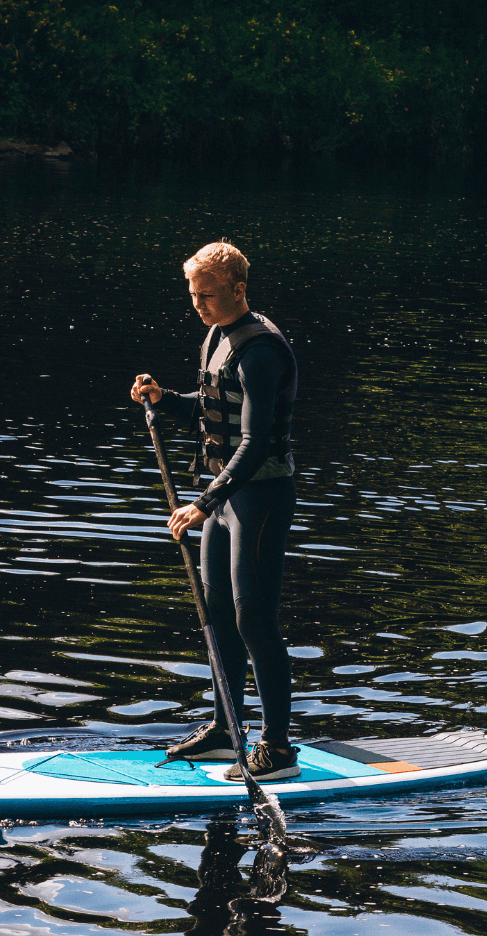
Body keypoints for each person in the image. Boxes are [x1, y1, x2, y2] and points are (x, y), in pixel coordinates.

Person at [130, 241, 300, 782]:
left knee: (255, 620)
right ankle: (228, 727)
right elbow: (207, 412)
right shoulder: (216, 337)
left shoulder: (261, 350)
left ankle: (277, 748)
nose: (198, 305)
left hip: (260, 497)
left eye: (206, 295)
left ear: (237, 289)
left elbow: (253, 443)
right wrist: (163, 399)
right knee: (218, 617)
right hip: (225, 496)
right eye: (193, 295)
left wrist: (202, 503)